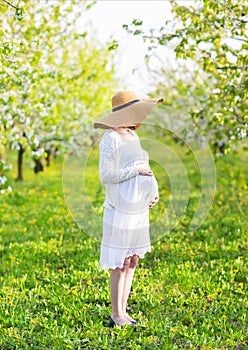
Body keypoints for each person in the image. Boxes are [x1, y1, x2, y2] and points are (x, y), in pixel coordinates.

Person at [94, 90, 163, 327]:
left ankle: (123, 309)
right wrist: (135, 172)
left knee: (132, 259)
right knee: (120, 261)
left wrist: (153, 192)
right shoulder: (111, 138)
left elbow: (145, 166)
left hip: (137, 207)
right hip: (119, 207)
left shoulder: (132, 136)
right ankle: (116, 313)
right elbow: (106, 175)